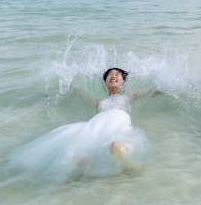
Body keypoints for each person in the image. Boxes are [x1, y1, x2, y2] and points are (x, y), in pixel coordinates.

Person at [9, 67, 153, 182]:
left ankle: (130, 166)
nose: (113, 76)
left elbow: (148, 92)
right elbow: (78, 93)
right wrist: (67, 83)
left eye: (117, 75)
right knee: (71, 155)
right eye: (109, 75)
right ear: (104, 83)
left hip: (119, 125)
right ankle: (96, 167)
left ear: (124, 83)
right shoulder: (99, 102)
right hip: (98, 127)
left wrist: (163, 85)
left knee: (116, 147)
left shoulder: (127, 96)